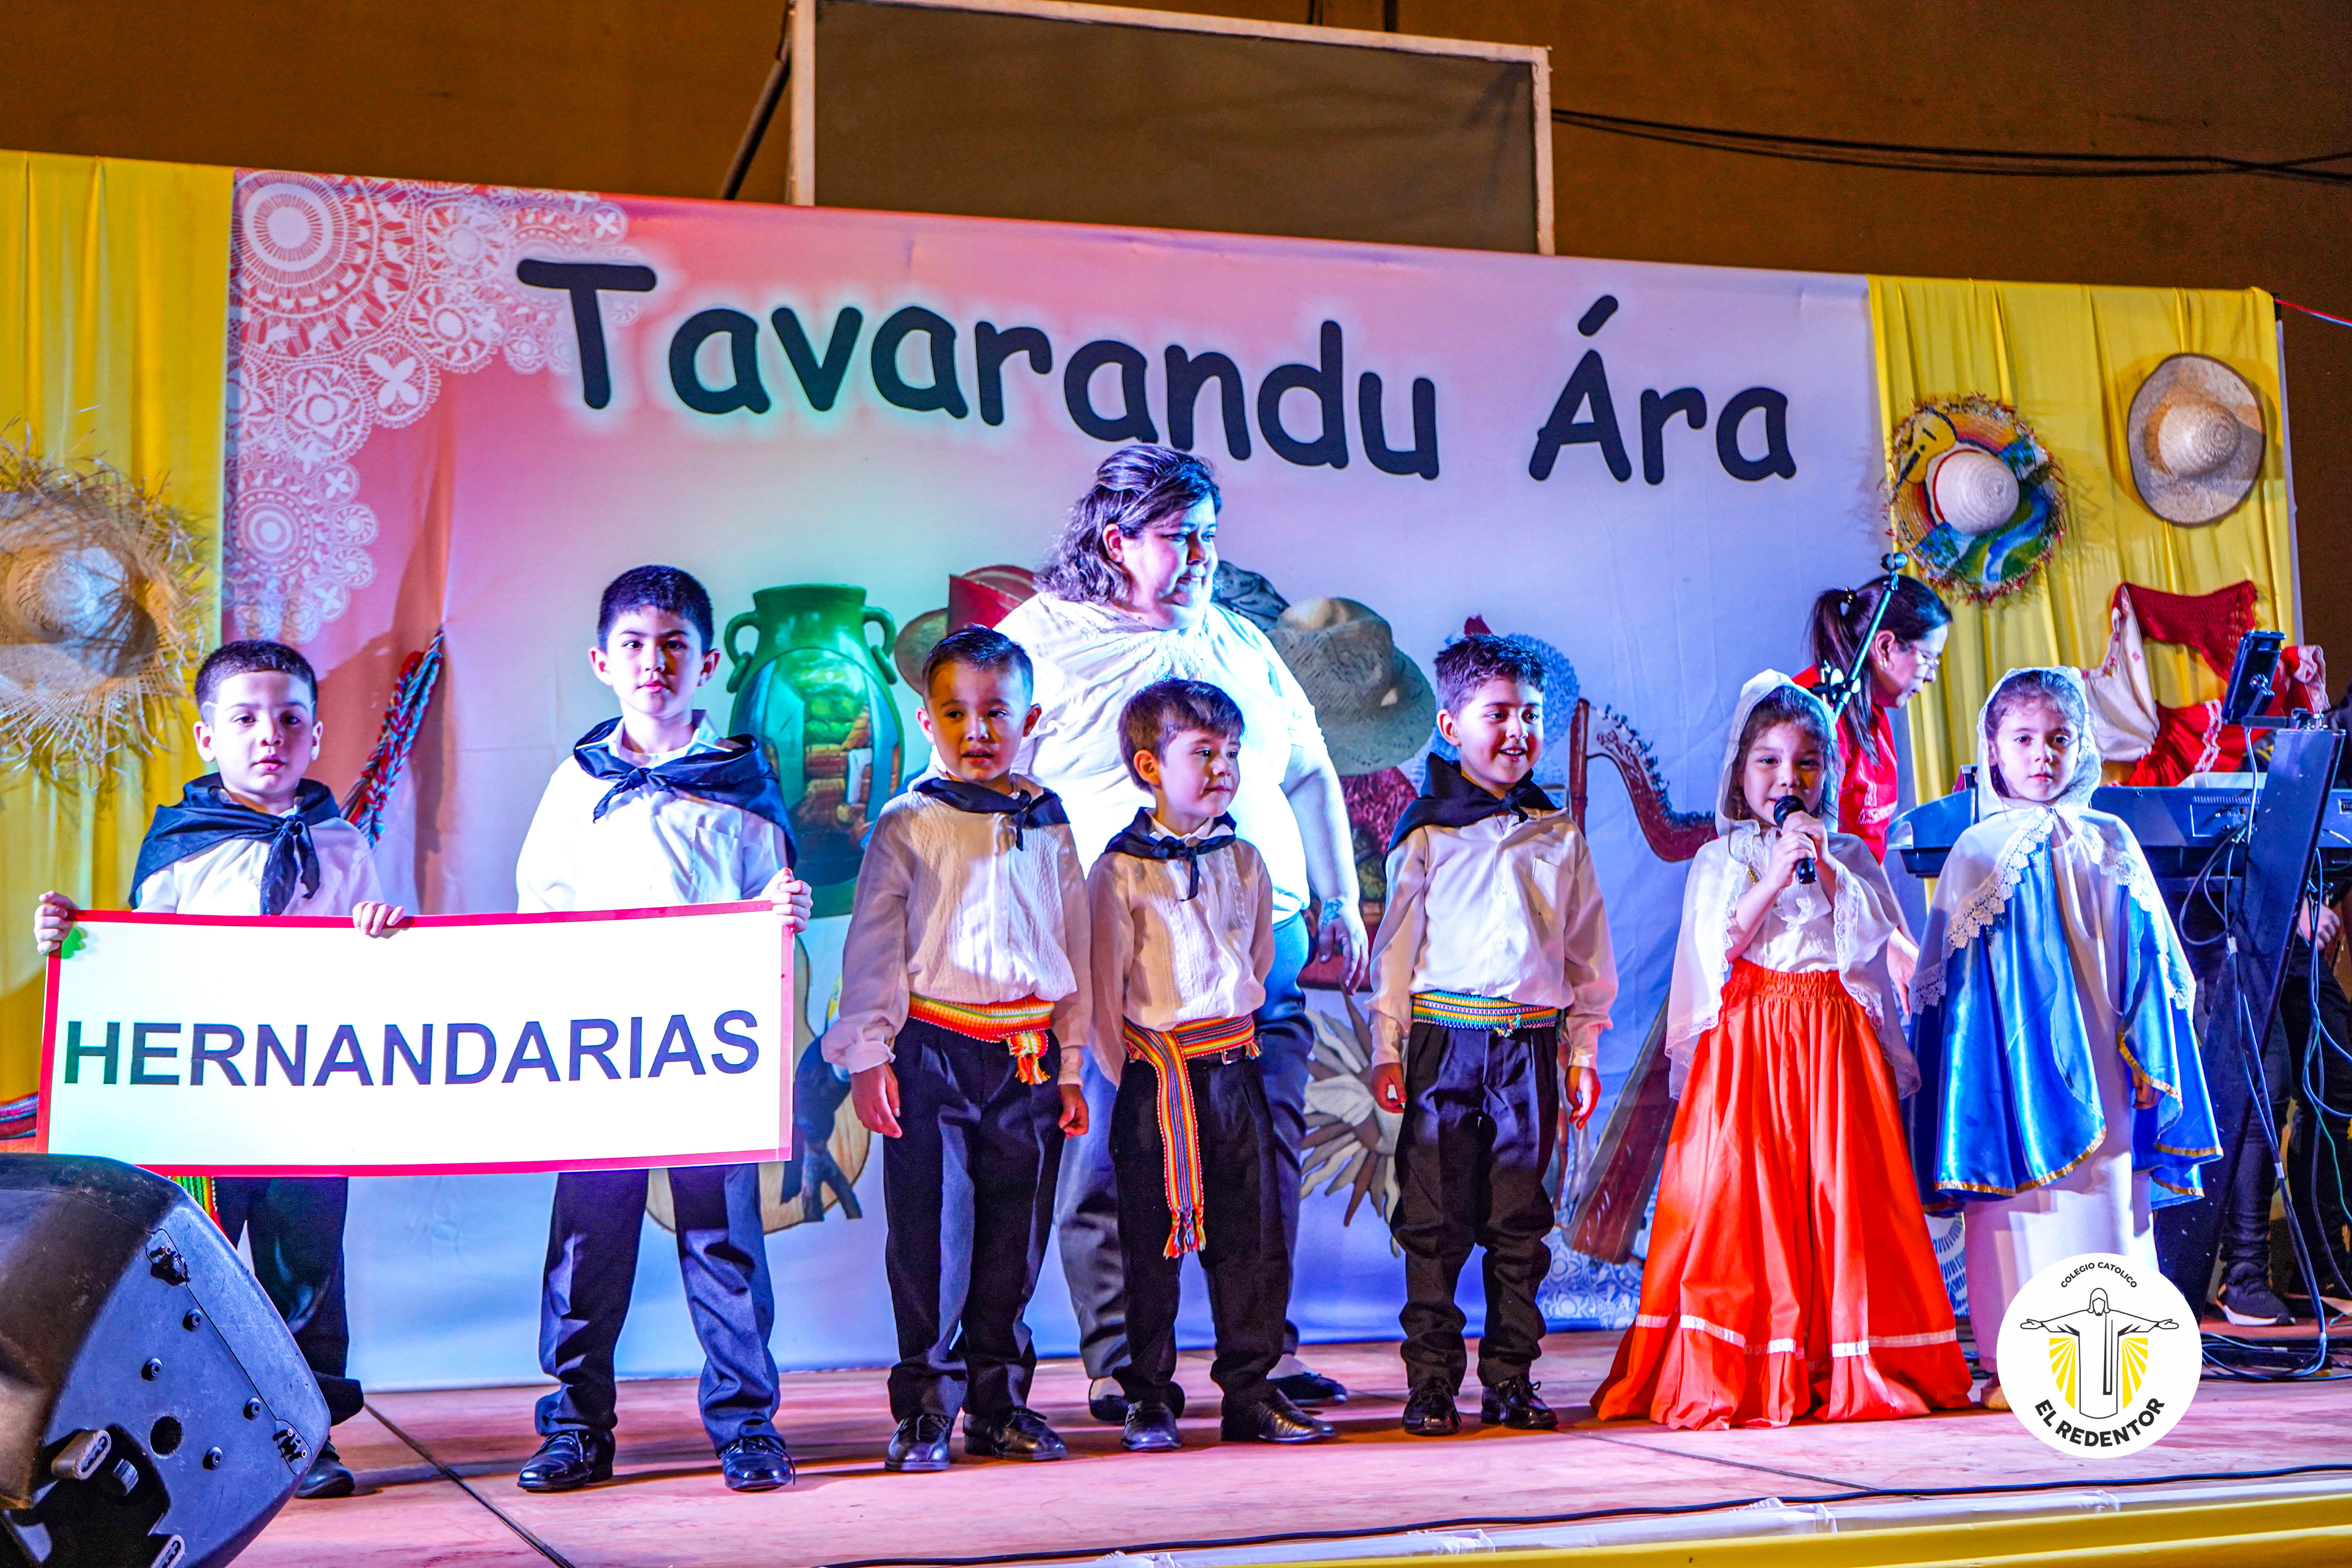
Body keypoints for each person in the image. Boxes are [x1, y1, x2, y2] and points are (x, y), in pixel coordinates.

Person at [997, 446, 1365, 1420]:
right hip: (1116, 952)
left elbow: (1308, 769)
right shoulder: (1042, 639)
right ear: (1117, 541)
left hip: (1258, 946)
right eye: (1179, 538)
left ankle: (1263, 1355)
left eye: (1210, 535)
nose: (1202, 556)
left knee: (1262, 1159)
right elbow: (988, 787)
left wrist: (1339, 897)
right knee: (1111, 1160)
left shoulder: (1238, 639)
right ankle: (1126, 1366)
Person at [34, 639, 409, 1500]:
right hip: (204, 1104)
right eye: (244, 719)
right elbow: (135, 965)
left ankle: (306, 1434)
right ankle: (185, 1443)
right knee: (193, 1267)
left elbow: (374, 973)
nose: (269, 735)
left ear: (316, 734)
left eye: (289, 719)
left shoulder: (343, 844)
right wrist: (73, 941)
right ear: (208, 737)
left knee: (305, 1266)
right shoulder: (181, 845)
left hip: (306, 1098)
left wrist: (383, 932)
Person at [1593, 673, 1968, 1430]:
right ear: (1740, 771)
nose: (1786, 778)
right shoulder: (1723, 857)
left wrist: (1825, 868)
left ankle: (1844, 1357)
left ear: (1826, 774)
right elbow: (1719, 945)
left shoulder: (1849, 854)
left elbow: (1874, 943)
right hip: (1751, 1044)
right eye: (1767, 761)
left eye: (1805, 763)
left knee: (1840, 1197)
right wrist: (1772, 877)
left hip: (1834, 1045)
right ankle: (1749, 1362)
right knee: (1744, 1199)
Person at [511, 565, 813, 1494]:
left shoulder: (743, 781)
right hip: (604, 1054)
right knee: (587, 1240)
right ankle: (575, 1425)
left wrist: (784, 913)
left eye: (675, 644)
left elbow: (769, 907)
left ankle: (747, 1423)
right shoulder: (575, 784)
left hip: (708, 1053)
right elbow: (537, 912)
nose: (655, 662)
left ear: (708, 662)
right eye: (635, 645)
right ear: (602, 661)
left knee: (723, 1239)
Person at [1908, 667, 2220, 1412]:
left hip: (2108, 1068)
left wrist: (2150, 1053)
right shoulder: (1975, 853)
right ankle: (2014, 1368)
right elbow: (1951, 992)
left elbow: (2151, 959)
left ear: (2081, 747)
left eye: (2058, 739)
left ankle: (2111, 1371)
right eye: (2023, 740)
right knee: (2017, 1219)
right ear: (1993, 749)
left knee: (2107, 1209)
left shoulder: (2112, 839)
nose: (2042, 755)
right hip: (2009, 1081)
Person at [824, 626, 1092, 1472]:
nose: (977, 731)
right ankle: (925, 1409)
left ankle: (1001, 1403)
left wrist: (1072, 1061)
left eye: (996, 713)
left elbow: (1075, 944)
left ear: (1029, 720)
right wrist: (871, 1054)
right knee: (932, 1237)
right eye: (955, 713)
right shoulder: (908, 822)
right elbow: (874, 944)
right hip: (933, 1051)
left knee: (1016, 1238)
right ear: (926, 721)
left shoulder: (1049, 819)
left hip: (1027, 1056)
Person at [1364, 634, 1615, 1436]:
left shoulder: (1558, 834)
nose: (1517, 731)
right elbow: (1396, 951)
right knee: (1434, 1222)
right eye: (1498, 714)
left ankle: (1511, 1377)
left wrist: (1583, 1050)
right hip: (1445, 1045)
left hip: (1528, 1049)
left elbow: (1586, 955)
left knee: (1519, 1221)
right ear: (1450, 725)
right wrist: (1388, 1049)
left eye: (1531, 715)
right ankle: (1432, 1382)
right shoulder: (1426, 832)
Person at [1087, 679, 1334, 1451]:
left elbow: (1255, 960)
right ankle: (1149, 1394)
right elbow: (1103, 992)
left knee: (1249, 1235)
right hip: (1155, 1074)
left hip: (1232, 1067)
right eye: (1204, 753)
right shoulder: (1119, 871)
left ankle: (1250, 1389)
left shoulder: (1245, 861)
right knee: (1148, 1241)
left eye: (1231, 752)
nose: (1224, 768)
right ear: (1150, 767)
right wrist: (1138, 1071)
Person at [1798, 575, 1951, 864]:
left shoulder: (1871, 709)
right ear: (1885, 647)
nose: (1932, 676)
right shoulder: (1813, 713)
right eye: (1928, 659)